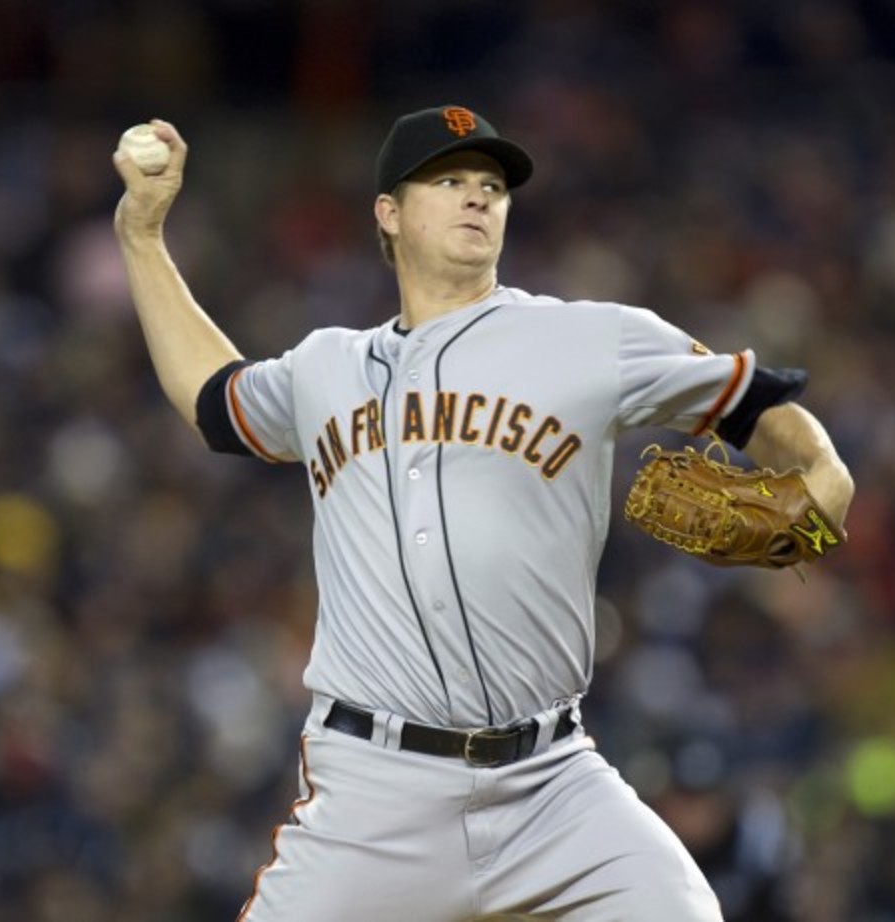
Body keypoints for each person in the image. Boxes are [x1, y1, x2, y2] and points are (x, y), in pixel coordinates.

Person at [112, 104, 853, 922]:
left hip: (552, 785)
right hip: (374, 796)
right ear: (388, 215)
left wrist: (822, 478)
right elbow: (214, 400)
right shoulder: (325, 367)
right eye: (450, 180)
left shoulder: (588, 338)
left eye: (492, 185)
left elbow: (755, 402)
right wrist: (142, 240)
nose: (478, 197)